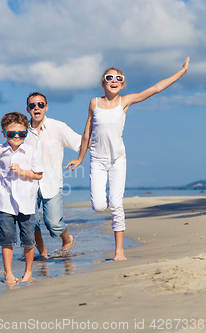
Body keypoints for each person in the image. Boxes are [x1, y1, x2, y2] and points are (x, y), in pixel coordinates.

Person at [66, 57, 190, 261]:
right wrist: (80, 158)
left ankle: (119, 251)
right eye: (109, 77)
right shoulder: (94, 103)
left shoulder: (125, 101)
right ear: (103, 82)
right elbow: (87, 132)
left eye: (118, 78)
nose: (114, 80)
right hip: (97, 160)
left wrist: (181, 72)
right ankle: (110, 203)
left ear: (122, 85)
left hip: (117, 161)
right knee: (98, 206)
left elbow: (156, 88)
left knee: (116, 205)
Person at [0, 112, 43, 284]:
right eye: (11, 133)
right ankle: (8, 273)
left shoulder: (31, 151)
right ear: (4, 134)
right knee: (7, 238)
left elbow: (38, 175)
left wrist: (22, 172)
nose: (16, 137)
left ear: (26, 133)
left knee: (28, 240)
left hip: (27, 202)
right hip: (5, 201)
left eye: (21, 133)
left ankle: (28, 272)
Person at [24, 92, 82, 260]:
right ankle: (42, 253)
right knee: (30, 223)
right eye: (33, 105)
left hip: (52, 183)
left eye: (40, 104)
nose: (37, 107)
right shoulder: (22, 131)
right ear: (28, 109)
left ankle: (67, 240)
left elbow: (81, 142)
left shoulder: (58, 127)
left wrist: (81, 158)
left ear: (46, 107)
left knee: (54, 224)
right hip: (28, 185)